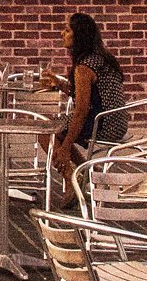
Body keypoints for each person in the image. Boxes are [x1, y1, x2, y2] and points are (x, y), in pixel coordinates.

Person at [51, 11, 127, 178]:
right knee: (58, 129)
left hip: (102, 124)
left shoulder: (84, 67)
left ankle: (71, 179)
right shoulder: (102, 58)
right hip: (118, 122)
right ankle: (86, 170)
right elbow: (91, 96)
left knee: (46, 129)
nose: (62, 33)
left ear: (79, 36)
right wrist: (60, 84)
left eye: (67, 30)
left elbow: (81, 110)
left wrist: (65, 148)